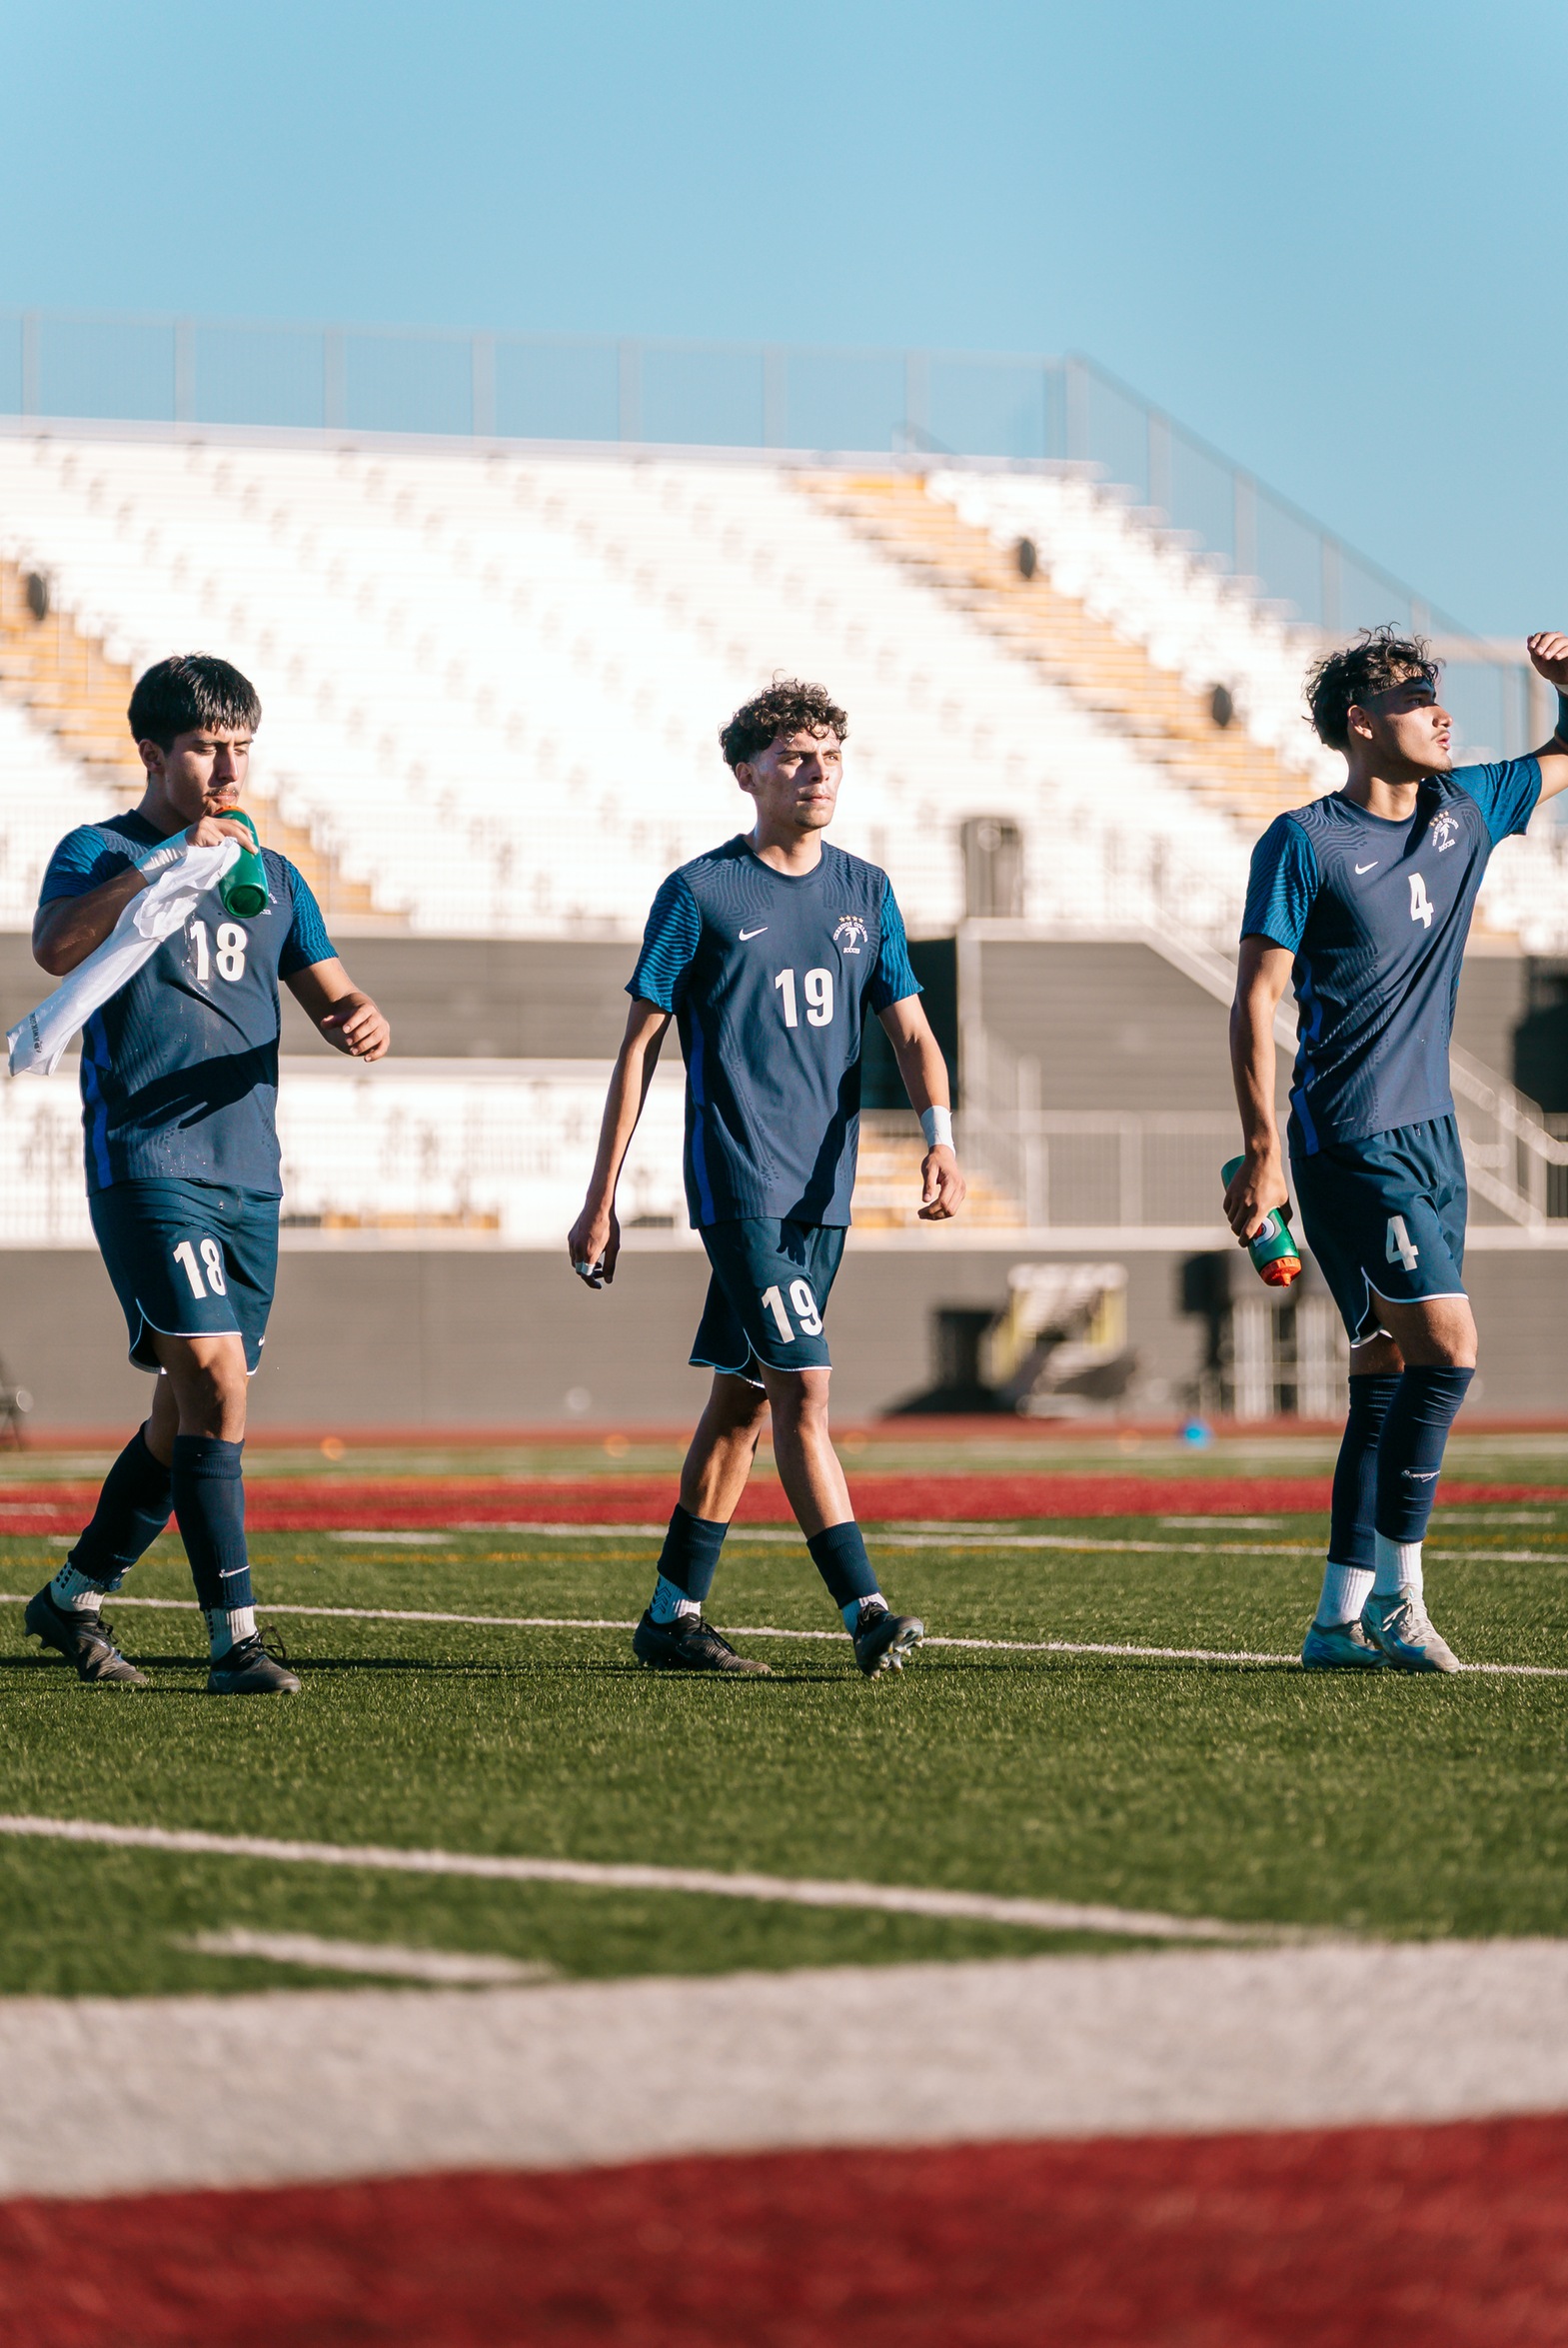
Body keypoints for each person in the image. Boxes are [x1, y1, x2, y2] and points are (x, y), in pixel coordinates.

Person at [568, 678, 965, 1676]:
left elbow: (912, 1031)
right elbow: (639, 1047)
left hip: (825, 1195)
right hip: (740, 1184)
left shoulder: (866, 891)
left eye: (829, 752)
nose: (816, 770)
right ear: (746, 775)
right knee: (805, 1386)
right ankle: (866, 1610)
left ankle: (671, 1616)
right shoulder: (699, 893)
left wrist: (941, 1137)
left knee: (743, 1403)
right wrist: (600, 1195)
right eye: (793, 755)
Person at [23, 653, 390, 1693]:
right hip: (147, 1161)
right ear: (152, 753)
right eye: (204, 749)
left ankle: (70, 1597)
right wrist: (163, 866)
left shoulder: (274, 876)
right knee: (216, 1380)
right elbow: (55, 948)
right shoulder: (98, 850)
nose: (229, 770)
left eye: (241, 748)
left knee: (186, 1413)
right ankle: (237, 1640)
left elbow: (331, 992)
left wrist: (357, 1016)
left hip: (248, 1172)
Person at [1227, 626, 1568, 1671]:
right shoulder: (1305, 842)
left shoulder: (1466, 808)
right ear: (1360, 723)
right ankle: (1398, 1600)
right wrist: (1262, 1150)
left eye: (1436, 691)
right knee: (1449, 1350)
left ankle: (1334, 1621)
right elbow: (1255, 1000)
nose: (1440, 710)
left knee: (1383, 1373)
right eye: (1416, 697)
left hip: (1432, 1139)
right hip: (1346, 1135)